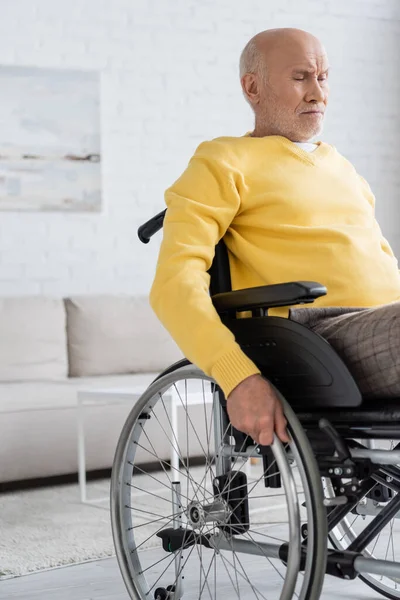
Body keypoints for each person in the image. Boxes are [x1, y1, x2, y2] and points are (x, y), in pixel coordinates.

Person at [150, 28, 400, 447]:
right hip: (318, 338)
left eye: (323, 77)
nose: (318, 93)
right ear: (253, 87)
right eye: (301, 77)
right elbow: (173, 285)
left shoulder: (343, 168)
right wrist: (238, 376)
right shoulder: (223, 161)